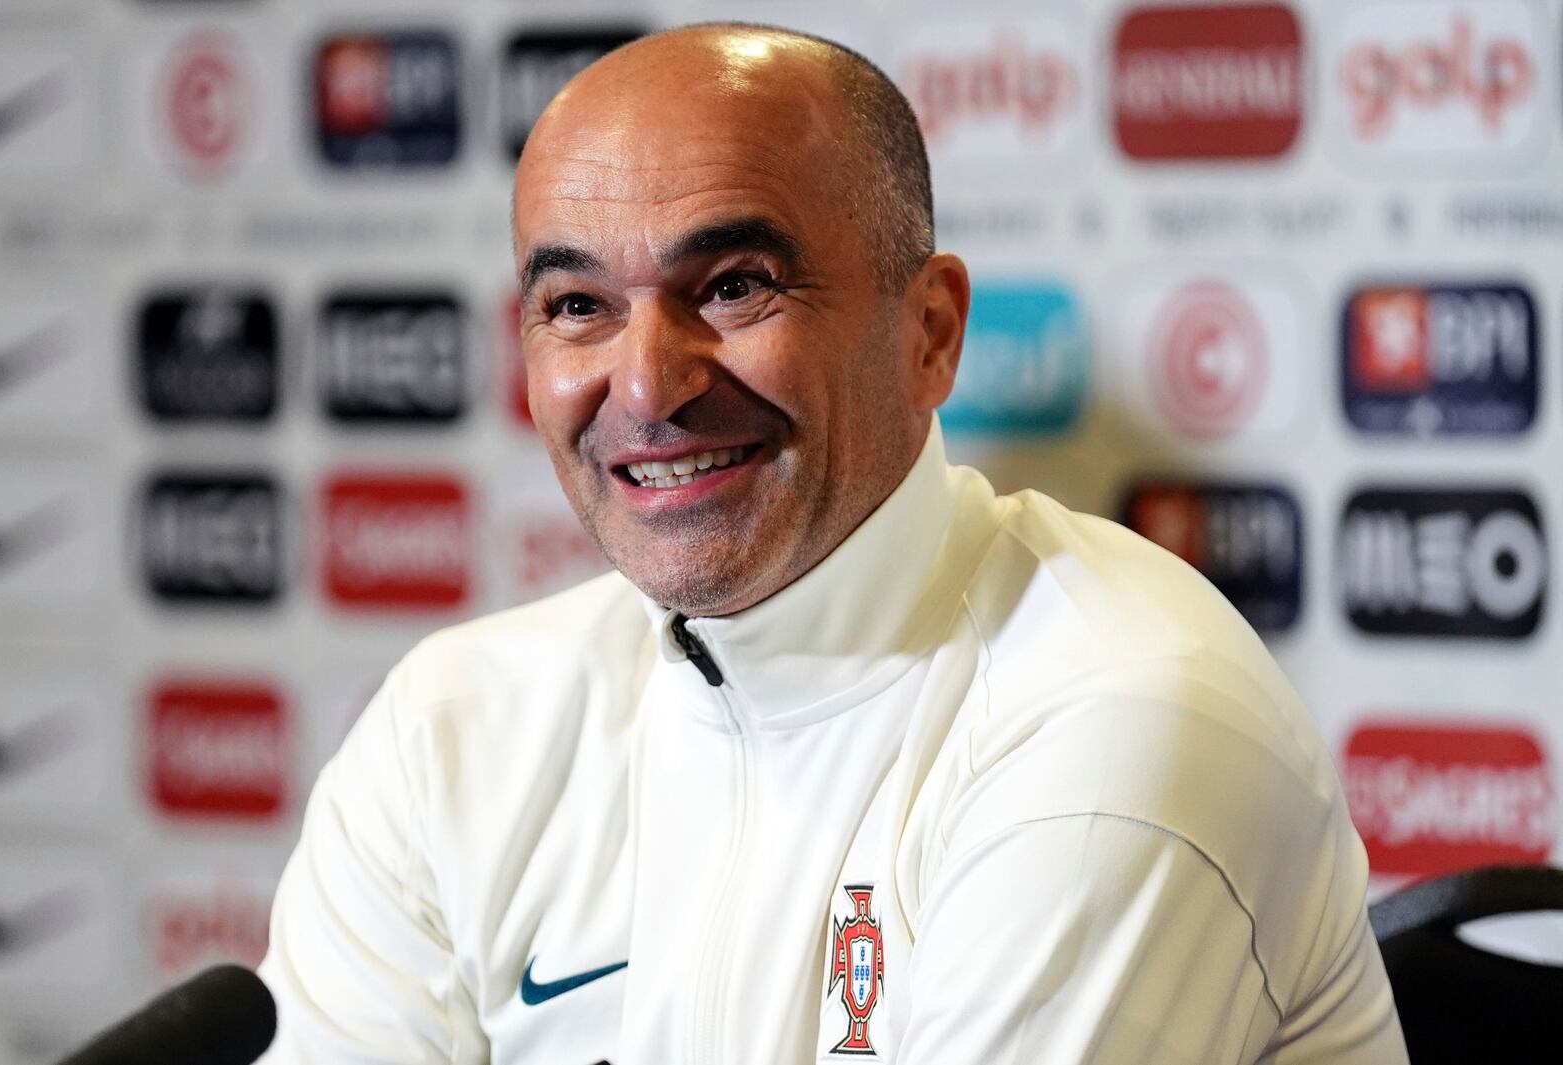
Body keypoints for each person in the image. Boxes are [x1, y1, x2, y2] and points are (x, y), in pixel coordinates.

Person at [259, 23, 1408, 1064]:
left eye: (735, 286)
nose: (647, 383)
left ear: (931, 333)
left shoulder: (1117, 710)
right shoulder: (451, 732)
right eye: (576, 307)